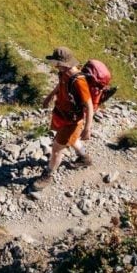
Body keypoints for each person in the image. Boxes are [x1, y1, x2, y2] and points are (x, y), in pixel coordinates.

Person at [32, 47, 95, 191]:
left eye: (56, 62)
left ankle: (48, 175)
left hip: (71, 121)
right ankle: (85, 158)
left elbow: (89, 105)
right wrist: (49, 96)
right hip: (62, 114)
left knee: (56, 150)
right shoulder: (64, 72)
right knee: (72, 140)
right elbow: (60, 85)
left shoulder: (79, 81)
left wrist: (87, 128)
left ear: (64, 63)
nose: (55, 65)